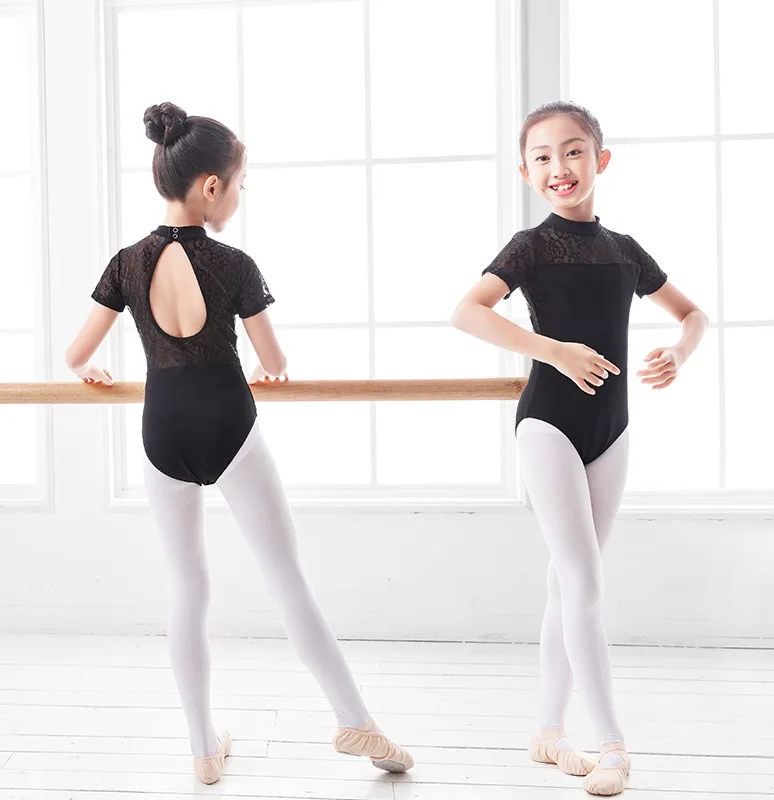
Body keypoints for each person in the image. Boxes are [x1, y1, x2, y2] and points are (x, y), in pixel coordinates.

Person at [65, 101, 413, 785]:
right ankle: (356, 722)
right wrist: (268, 369)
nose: (240, 196)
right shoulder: (234, 264)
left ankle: (202, 747)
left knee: (188, 591)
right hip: (229, 424)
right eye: (241, 183)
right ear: (211, 187)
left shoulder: (126, 263)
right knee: (287, 582)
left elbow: (77, 352)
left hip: (162, 433)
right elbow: (274, 360)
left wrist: (92, 370)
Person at [451, 100, 708, 795]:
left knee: (567, 581)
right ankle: (613, 744)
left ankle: (546, 729)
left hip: (613, 430)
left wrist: (679, 353)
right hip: (549, 424)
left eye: (572, 151)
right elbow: (467, 310)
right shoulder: (530, 246)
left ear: (600, 159)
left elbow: (693, 314)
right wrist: (552, 351)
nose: (558, 167)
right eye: (542, 156)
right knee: (584, 580)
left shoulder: (625, 250)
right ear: (525, 170)